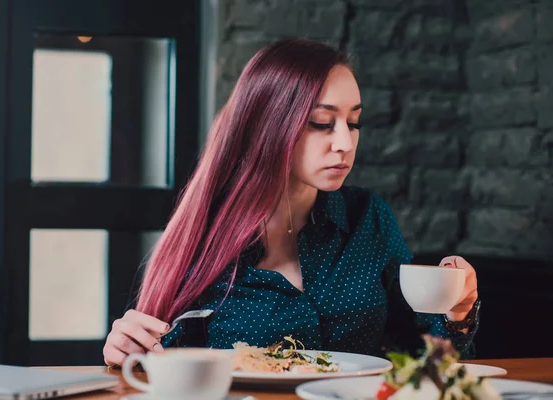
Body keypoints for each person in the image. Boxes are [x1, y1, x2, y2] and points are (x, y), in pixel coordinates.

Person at [102, 38, 479, 367]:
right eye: (321, 122)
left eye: (354, 123)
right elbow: (158, 368)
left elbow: (425, 359)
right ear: (268, 124)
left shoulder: (369, 219)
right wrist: (127, 349)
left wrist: (456, 316)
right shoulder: (205, 237)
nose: (345, 143)